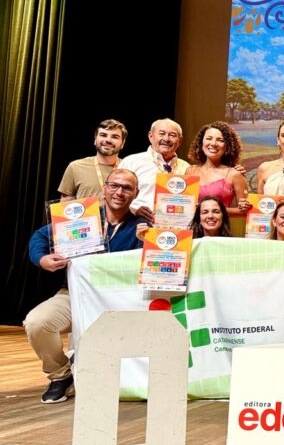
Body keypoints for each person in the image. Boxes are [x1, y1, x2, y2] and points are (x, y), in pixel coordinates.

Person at [24, 168, 145, 403]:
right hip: (75, 294)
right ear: (104, 188)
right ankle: (60, 375)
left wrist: (149, 240)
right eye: (114, 186)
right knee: (37, 322)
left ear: (136, 193)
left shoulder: (142, 226)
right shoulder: (80, 218)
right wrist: (42, 259)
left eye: (127, 188)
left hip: (119, 301)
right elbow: (40, 236)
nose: (119, 192)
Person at [119, 117, 190, 222]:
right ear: (151, 136)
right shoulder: (131, 162)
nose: (166, 139)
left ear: (180, 141)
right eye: (161, 133)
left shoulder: (186, 168)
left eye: (172, 135)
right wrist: (133, 209)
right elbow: (115, 194)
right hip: (135, 223)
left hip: (175, 225)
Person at [185, 121, 250, 215]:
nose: (213, 143)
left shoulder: (235, 174)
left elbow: (244, 211)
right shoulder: (190, 171)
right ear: (201, 143)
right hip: (192, 224)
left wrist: (213, 210)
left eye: (220, 140)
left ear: (227, 146)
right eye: (209, 138)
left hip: (221, 224)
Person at [57, 118, 127, 200]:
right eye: (103, 135)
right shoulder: (75, 167)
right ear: (95, 139)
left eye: (115, 137)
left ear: (123, 143)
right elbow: (65, 203)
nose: (108, 140)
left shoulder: (130, 168)